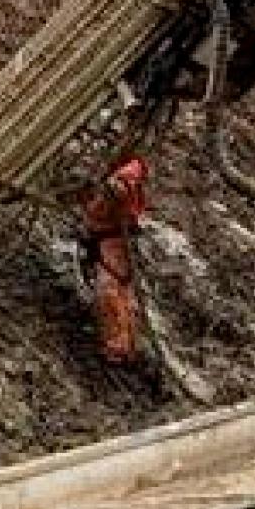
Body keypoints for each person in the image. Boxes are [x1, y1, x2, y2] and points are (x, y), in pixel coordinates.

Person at [80, 156, 149, 364]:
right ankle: (123, 344)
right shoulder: (120, 172)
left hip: (112, 241)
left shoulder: (128, 173)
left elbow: (121, 185)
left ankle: (120, 346)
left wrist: (114, 187)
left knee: (110, 290)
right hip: (107, 238)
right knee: (116, 291)